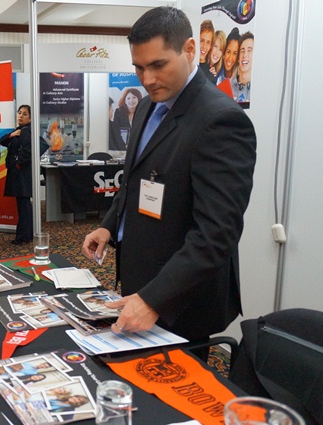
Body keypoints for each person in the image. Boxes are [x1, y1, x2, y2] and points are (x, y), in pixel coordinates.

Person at [81, 7, 256, 350]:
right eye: (138, 67)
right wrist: (110, 225)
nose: (147, 79)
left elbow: (216, 234)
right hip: (140, 281)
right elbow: (135, 181)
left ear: (189, 50)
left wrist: (155, 299)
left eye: (158, 65)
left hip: (182, 300)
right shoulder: (146, 107)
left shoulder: (220, 120)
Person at [1, 105, 33, 244]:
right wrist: (11, 135)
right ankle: (26, 235)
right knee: (23, 204)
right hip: (19, 173)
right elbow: (2, 141)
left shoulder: (26, 131)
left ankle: (24, 236)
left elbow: (27, 152)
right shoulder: (19, 130)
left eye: (25, 114)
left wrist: (18, 165)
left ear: (30, 118)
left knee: (24, 205)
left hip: (22, 173)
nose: (20, 116)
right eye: (19, 113)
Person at [229, 31, 254, 104]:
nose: (245, 55)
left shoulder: (261, 88)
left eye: (249, 50)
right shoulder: (226, 88)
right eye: (242, 51)